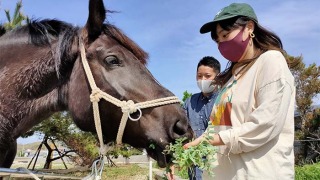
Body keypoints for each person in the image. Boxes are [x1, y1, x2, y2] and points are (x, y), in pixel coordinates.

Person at [183, 3, 297, 180]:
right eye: (218, 40)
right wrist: (195, 145)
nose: (221, 44)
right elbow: (218, 125)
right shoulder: (230, 80)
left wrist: (218, 139)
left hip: (256, 173)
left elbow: (266, 124)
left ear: (249, 28)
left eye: (225, 35)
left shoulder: (270, 62)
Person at [167, 56, 221, 180]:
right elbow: (179, 131)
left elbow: (219, 130)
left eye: (207, 76)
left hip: (216, 164)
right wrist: (172, 159)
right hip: (194, 165)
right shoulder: (189, 102)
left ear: (217, 77)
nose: (203, 80)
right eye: (199, 76)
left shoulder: (222, 100)